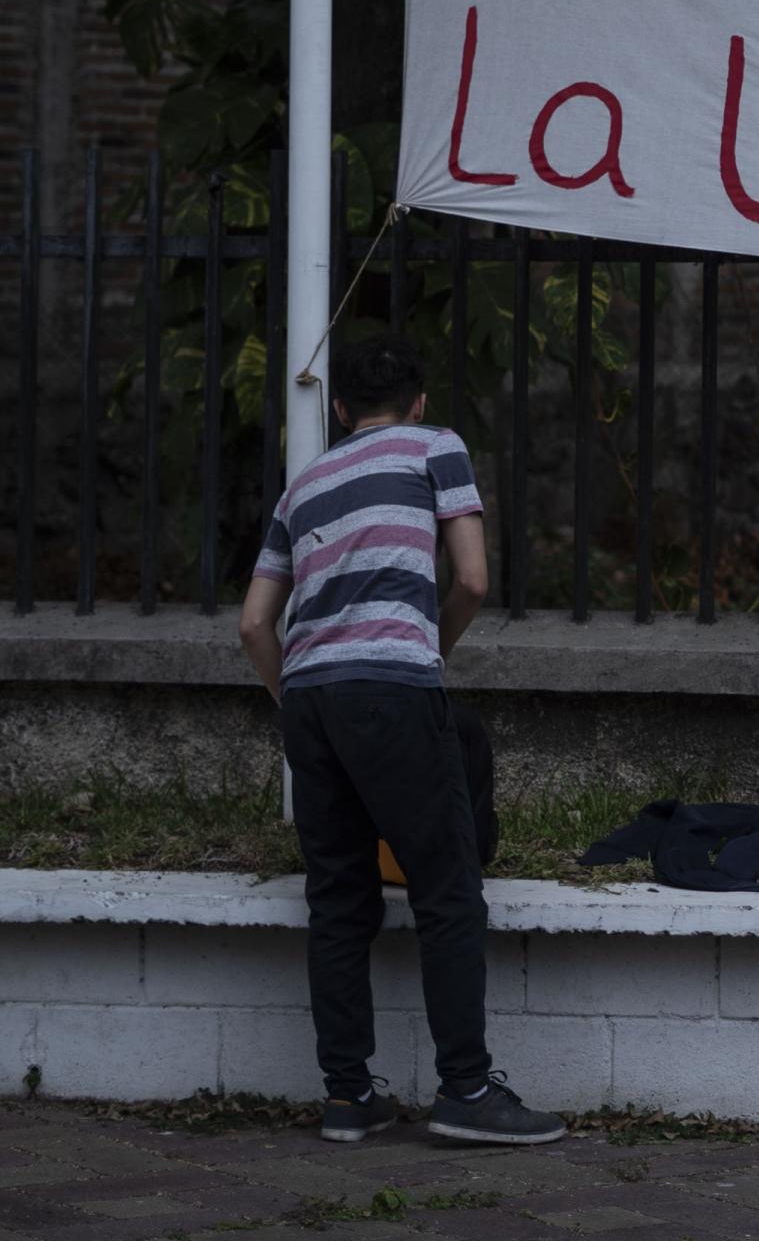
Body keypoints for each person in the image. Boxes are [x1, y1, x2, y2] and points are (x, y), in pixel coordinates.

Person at [235, 332, 566, 1147]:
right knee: (448, 888)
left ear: (340, 409)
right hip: (391, 688)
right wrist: (422, 653)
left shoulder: (303, 485)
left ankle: (349, 1097)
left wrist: (296, 699)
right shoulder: (435, 446)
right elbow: (475, 579)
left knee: (338, 900)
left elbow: (251, 623)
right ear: (418, 401)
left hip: (309, 699)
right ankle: (465, 1091)